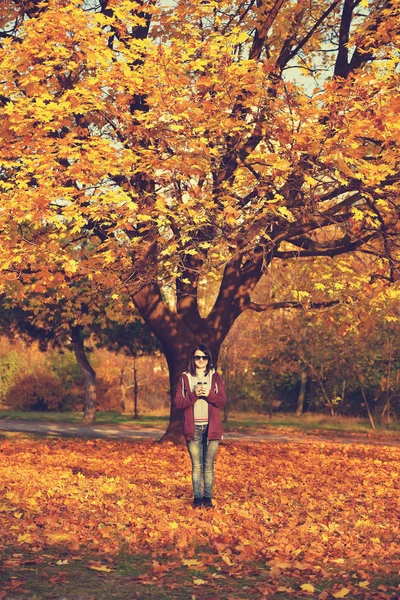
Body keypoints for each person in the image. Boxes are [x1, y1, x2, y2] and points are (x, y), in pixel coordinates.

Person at [174, 344, 226, 508]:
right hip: (193, 427)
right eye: (198, 357)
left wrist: (209, 394)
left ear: (209, 359)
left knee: (208, 465)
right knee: (196, 465)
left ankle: (207, 498)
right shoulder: (185, 378)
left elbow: (222, 400)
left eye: (204, 357)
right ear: (193, 359)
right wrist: (194, 395)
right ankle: (197, 498)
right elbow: (178, 402)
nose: (201, 360)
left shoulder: (215, 377)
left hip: (212, 428)